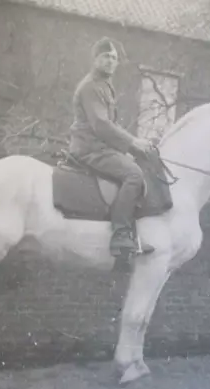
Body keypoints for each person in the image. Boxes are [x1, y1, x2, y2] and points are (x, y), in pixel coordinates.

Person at [68, 37, 155, 259]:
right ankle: (120, 234)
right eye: (105, 57)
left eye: (114, 58)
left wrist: (132, 144)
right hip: (90, 148)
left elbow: (110, 125)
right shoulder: (91, 86)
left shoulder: (104, 85)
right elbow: (101, 125)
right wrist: (133, 143)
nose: (110, 61)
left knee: (135, 166)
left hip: (100, 146)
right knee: (134, 175)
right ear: (95, 60)